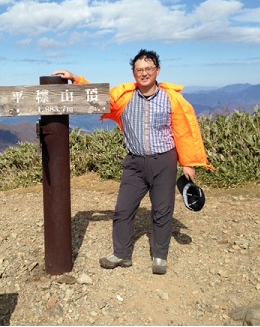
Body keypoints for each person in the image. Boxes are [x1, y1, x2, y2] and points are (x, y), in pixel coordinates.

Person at [53, 49, 213, 275]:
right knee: (123, 210)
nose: (144, 73)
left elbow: (184, 131)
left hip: (164, 161)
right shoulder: (124, 97)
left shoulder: (172, 99)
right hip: (135, 163)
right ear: (134, 73)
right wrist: (77, 79)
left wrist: (188, 163)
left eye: (148, 69)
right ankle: (121, 254)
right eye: (139, 70)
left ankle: (159, 256)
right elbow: (100, 98)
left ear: (157, 71)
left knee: (162, 210)